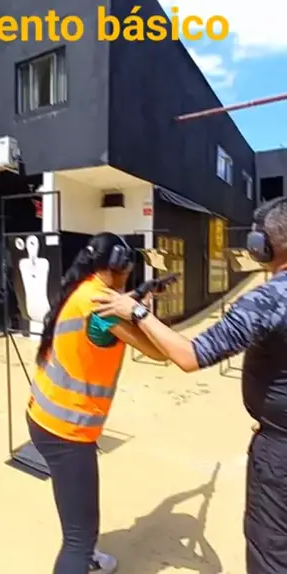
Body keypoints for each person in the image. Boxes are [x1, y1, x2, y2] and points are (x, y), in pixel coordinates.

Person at [91, 197, 287, 574]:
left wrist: (136, 311)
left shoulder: (268, 299)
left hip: (279, 457)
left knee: (272, 555)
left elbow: (190, 355)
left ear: (261, 247)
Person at [27, 232, 167, 574]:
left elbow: (104, 310)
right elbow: (159, 351)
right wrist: (141, 312)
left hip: (45, 416)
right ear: (119, 265)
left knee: (77, 519)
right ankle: (83, 559)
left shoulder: (84, 289)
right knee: (78, 539)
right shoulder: (103, 306)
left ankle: (88, 557)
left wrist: (139, 294)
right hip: (68, 432)